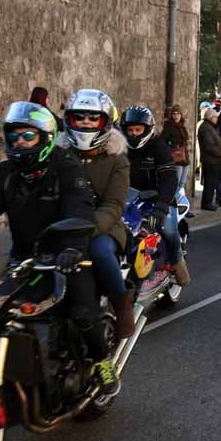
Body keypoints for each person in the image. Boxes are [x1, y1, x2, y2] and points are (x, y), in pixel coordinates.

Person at [0, 101, 118, 396]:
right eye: (14, 137)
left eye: (27, 136)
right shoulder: (6, 173)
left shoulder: (66, 167)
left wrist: (71, 248)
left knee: (82, 313)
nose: (19, 142)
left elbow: (80, 210)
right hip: (25, 258)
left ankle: (101, 361)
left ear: (45, 138)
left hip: (69, 256)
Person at [59, 88, 135, 339]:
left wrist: (87, 229)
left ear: (105, 122)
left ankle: (122, 305)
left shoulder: (118, 160)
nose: (85, 123)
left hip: (104, 226)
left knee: (101, 253)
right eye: (79, 117)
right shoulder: (60, 155)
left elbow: (114, 204)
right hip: (62, 224)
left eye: (93, 118)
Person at [120, 105, 189, 295]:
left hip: (160, 198)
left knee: (168, 229)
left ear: (147, 130)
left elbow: (169, 179)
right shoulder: (119, 148)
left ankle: (176, 262)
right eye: (130, 130)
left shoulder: (158, 147)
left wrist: (160, 208)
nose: (134, 134)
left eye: (138, 130)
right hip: (130, 198)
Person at [160, 104, 191, 199]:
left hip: (185, 157)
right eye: (174, 114)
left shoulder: (182, 126)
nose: (176, 116)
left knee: (182, 183)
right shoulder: (169, 126)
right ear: (171, 115)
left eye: (178, 113)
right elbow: (162, 140)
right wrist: (171, 148)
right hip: (176, 157)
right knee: (176, 183)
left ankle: (180, 203)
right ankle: (174, 205)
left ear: (181, 115)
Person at [198, 107, 221, 210]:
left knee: (211, 183)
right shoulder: (206, 128)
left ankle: (208, 202)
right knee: (209, 183)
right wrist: (219, 152)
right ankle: (207, 203)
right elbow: (208, 145)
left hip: (213, 160)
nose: (217, 119)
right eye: (215, 117)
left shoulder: (210, 127)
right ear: (210, 117)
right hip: (210, 160)